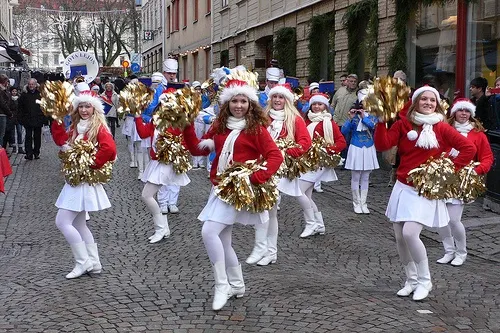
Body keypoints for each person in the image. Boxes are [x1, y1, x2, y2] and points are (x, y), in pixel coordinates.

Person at [182, 78, 283, 310]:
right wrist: (186, 125)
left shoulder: (256, 128)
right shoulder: (219, 126)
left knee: (209, 232)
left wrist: (253, 178)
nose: (239, 105)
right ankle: (237, 284)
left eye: (243, 101)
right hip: (219, 186)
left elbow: (275, 156)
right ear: (227, 103)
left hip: (238, 190)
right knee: (223, 240)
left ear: (250, 104)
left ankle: (222, 285)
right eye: (234, 101)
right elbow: (198, 148)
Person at [374, 85, 476, 301]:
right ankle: (410, 280)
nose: (429, 103)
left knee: (411, 233)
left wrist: (447, 171)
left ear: (437, 104)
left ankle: (425, 280)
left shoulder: (441, 127)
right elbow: (383, 143)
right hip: (403, 186)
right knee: (400, 236)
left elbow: (469, 149)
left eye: (432, 100)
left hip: (425, 189)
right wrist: (382, 120)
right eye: (424, 99)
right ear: (416, 102)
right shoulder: (404, 124)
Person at [51, 84, 117, 279]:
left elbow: (110, 150)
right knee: (80, 225)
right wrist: (56, 120)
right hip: (76, 180)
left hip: (83, 182)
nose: (84, 110)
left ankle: (83, 262)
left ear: (94, 108)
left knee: (62, 222)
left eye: (88, 107)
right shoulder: (75, 126)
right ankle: (94, 263)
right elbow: (61, 140)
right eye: (81, 107)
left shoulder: (98, 127)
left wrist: (91, 164)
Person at [247, 83, 311, 266]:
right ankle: (266, 249)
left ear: (287, 100)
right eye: (274, 97)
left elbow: (305, 143)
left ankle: (269, 251)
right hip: (262, 167)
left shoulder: (295, 120)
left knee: (269, 209)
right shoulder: (263, 117)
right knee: (264, 209)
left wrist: (284, 152)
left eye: (281, 97)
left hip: (281, 170)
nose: (277, 100)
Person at [436, 98, 493, 266]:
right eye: (460, 110)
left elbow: (487, 158)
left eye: (466, 111)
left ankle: (461, 252)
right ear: (454, 112)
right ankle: (448, 251)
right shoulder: (444, 130)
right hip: (443, 178)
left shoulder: (478, 134)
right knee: (440, 219)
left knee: (453, 220)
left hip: (462, 181)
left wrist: (475, 171)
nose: (463, 113)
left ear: (471, 114)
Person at [134, 108, 191, 244]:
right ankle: (164, 228)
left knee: (146, 195)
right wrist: (137, 117)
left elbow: (185, 143)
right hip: (156, 163)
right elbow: (143, 134)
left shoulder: (178, 123)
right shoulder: (156, 120)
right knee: (152, 196)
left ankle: (160, 229)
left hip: (166, 164)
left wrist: (174, 154)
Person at [298, 93, 346, 237]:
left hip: (319, 163)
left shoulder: (328, 123)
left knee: (299, 191)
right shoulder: (307, 121)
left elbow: (341, 142)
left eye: (320, 104)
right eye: (314, 104)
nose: (317, 107)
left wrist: (325, 150)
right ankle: (319, 225)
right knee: (307, 195)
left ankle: (311, 223)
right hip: (306, 162)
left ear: (325, 106)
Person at [144, 60, 183, 214]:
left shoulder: (181, 88)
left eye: (174, 73)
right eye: (169, 73)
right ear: (164, 73)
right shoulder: (158, 88)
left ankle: (173, 201)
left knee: (176, 168)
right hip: (162, 128)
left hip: (177, 128)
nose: (172, 76)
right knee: (163, 169)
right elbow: (150, 109)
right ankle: (162, 201)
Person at [341, 96, 379, 214]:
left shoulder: (373, 116)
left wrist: (364, 118)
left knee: (366, 177)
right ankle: (356, 203)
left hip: (368, 147)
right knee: (356, 176)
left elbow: (373, 126)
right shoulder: (354, 117)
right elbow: (344, 131)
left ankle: (364, 203)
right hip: (355, 147)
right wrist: (350, 118)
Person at [18, 78, 47, 160]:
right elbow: (20, 107)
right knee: (28, 137)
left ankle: (36, 152)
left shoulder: (40, 94)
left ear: (35, 85)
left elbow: (44, 107)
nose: (31, 86)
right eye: (30, 84)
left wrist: (45, 118)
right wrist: (21, 118)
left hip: (38, 119)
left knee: (37, 137)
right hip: (28, 119)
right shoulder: (24, 95)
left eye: (32, 84)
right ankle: (29, 153)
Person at [0, 75, 13, 150]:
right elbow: (3, 103)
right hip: (2, 114)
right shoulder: (2, 90)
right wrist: (9, 113)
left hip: (3, 113)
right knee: (1, 135)